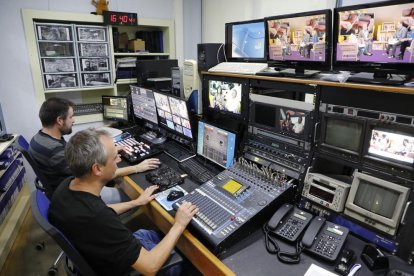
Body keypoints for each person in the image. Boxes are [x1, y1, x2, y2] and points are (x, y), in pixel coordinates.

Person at [49, 128, 198, 276]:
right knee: (191, 259)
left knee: (154, 234)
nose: (119, 160)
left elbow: (104, 211)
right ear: (97, 169)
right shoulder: (98, 218)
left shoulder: (68, 186)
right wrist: (179, 224)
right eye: (114, 158)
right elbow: (150, 267)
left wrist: (136, 203)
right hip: (127, 268)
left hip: (100, 252)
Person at [29, 97, 160, 202]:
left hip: (64, 187)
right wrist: (137, 168)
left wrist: (108, 150)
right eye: (71, 117)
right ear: (59, 120)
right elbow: (95, 174)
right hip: (76, 196)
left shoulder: (39, 138)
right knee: (134, 194)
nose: (73, 121)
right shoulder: (55, 151)